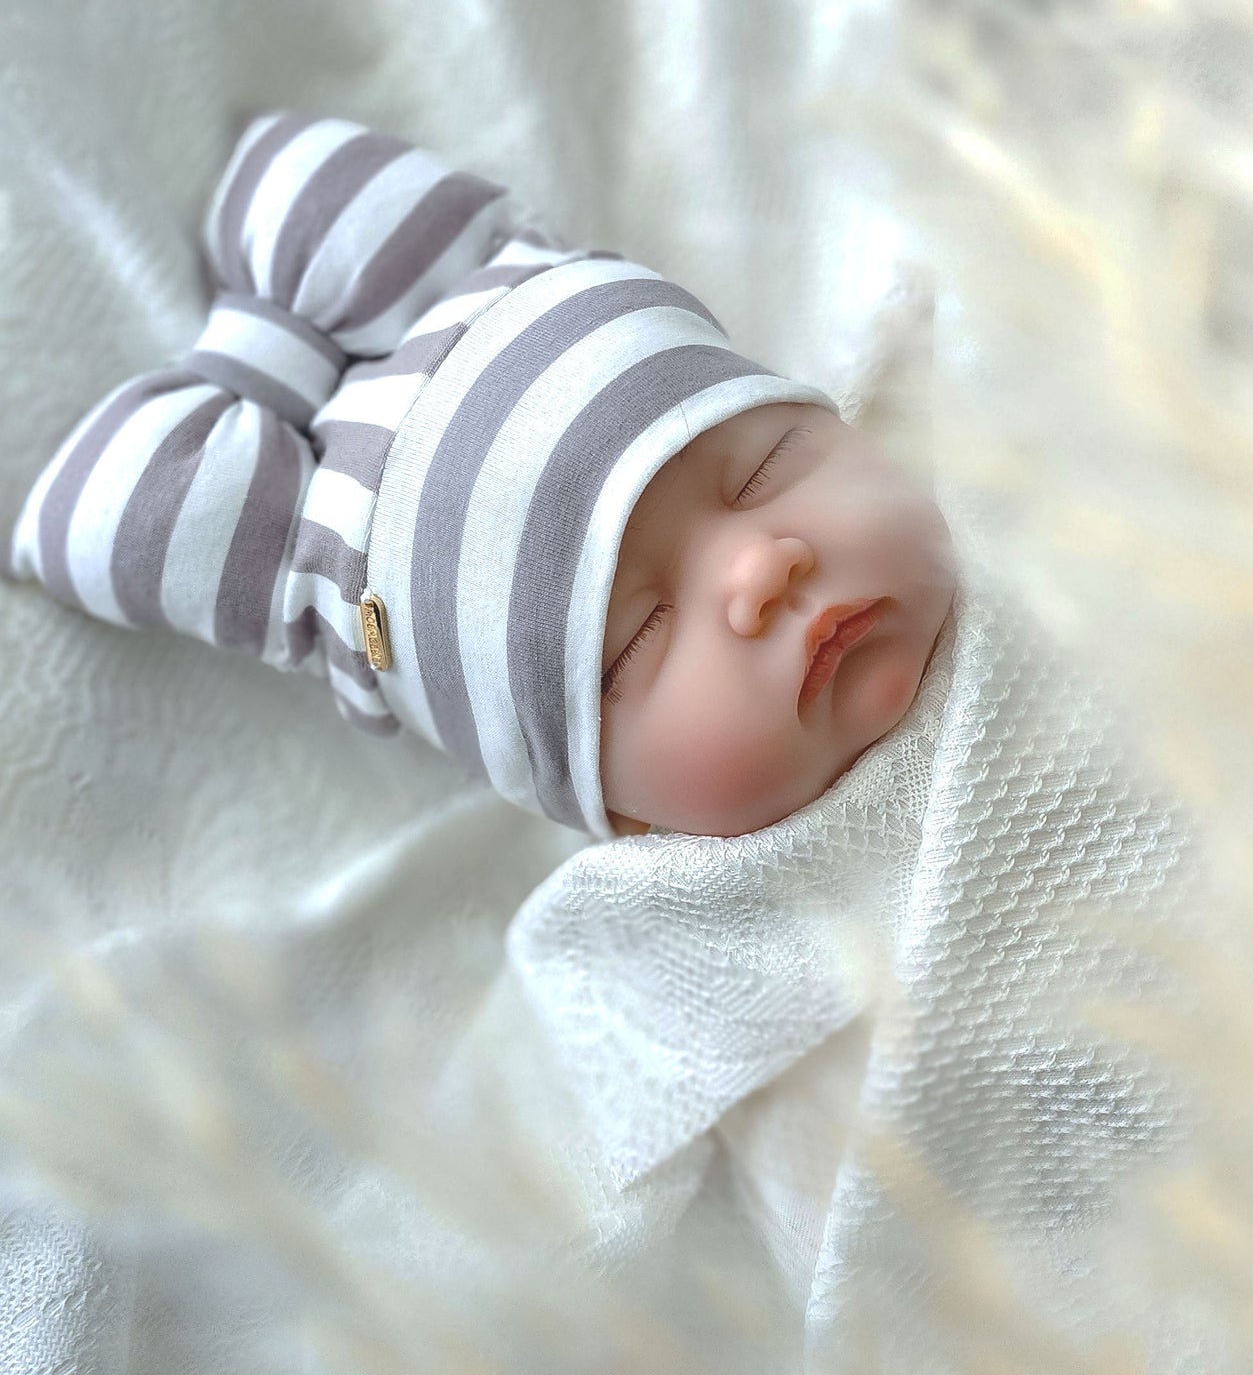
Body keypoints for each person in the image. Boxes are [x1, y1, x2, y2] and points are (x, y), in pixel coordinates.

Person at [8, 113, 957, 840]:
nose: (761, 565)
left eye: (765, 469)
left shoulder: (1009, 434)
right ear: (611, 813)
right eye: (637, 638)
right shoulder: (665, 940)